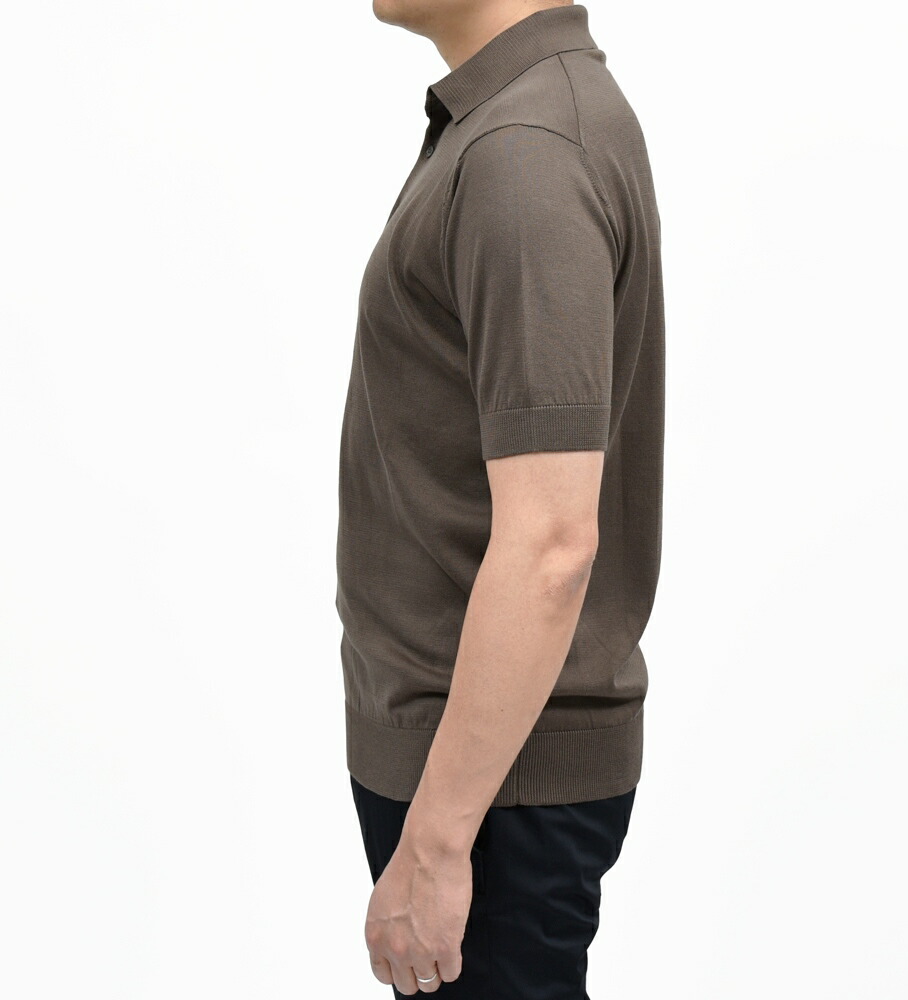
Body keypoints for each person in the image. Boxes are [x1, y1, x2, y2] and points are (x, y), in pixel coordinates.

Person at [336, 1, 664, 995]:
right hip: (479, 771)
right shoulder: (511, 123)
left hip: (489, 790)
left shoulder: (527, 151)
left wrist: (438, 841)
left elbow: (552, 542)